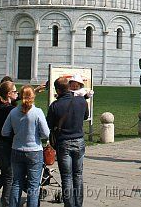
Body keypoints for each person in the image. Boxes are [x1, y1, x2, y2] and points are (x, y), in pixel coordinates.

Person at [1, 85, 50, 207]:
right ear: (33, 97)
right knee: (33, 185)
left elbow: (4, 132)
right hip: (34, 150)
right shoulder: (37, 112)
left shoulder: (13, 111)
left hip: (17, 149)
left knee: (16, 182)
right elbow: (46, 133)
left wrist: (17, 132)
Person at [47, 77, 89, 207]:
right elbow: (85, 116)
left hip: (63, 142)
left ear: (58, 90)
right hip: (79, 140)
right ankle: (78, 204)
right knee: (78, 175)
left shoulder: (55, 105)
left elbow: (49, 124)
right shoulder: (81, 101)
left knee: (66, 177)